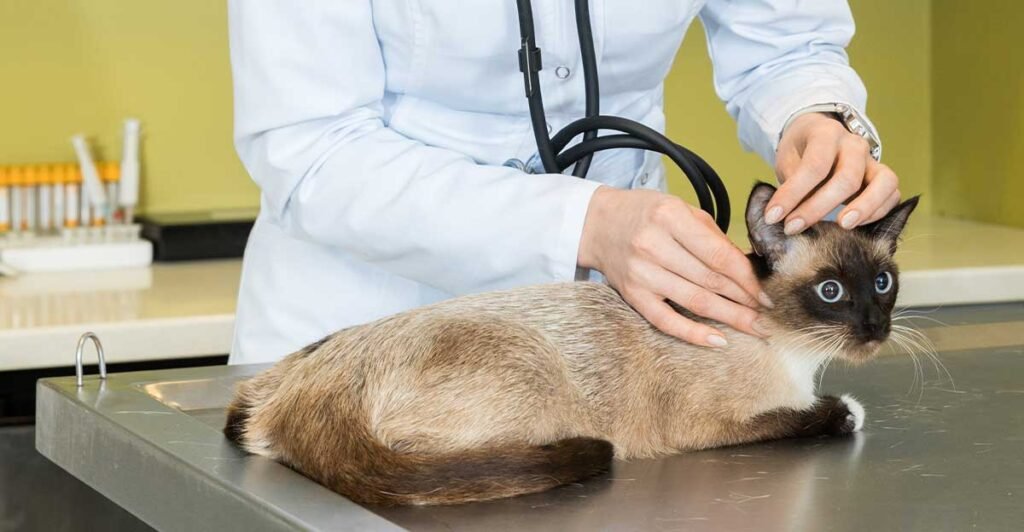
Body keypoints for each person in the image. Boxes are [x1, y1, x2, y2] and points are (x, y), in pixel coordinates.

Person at [226, 1, 900, 365]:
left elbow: (786, 43)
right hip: (361, 344)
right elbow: (309, 149)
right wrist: (585, 224)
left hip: (617, 346)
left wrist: (815, 111)